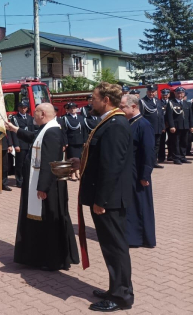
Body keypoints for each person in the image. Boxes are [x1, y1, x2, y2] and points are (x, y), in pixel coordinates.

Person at [71, 82, 134, 312]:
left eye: (94, 98)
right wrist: (81, 162)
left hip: (109, 201)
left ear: (106, 100)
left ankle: (121, 297)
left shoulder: (116, 124)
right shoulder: (109, 121)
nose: (91, 102)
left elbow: (112, 167)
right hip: (107, 198)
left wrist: (101, 201)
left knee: (115, 248)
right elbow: (101, 159)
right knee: (110, 247)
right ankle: (115, 288)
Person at [6, 103, 79, 271]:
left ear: (43, 114)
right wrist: (15, 129)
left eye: (36, 113)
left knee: (49, 221)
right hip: (46, 184)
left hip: (49, 187)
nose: (33, 116)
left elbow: (49, 162)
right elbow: (33, 137)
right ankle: (41, 256)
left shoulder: (52, 132)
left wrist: (42, 187)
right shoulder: (48, 129)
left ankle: (52, 259)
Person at [119, 95, 156, 248]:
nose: (120, 109)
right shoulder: (129, 122)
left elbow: (149, 152)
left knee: (140, 204)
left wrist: (145, 174)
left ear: (133, 107)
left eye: (123, 107)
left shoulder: (143, 124)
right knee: (131, 204)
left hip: (138, 172)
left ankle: (140, 238)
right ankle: (131, 235)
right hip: (129, 171)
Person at [10, 100, 36, 188]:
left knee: (28, 163)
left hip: (29, 144)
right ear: (18, 108)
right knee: (19, 163)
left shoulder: (30, 118)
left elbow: (32, 131)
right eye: (21, 107)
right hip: (20, 144)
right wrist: (16, 145)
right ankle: (19, 180)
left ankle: (27, 179)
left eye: (25, 107)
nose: (23, 109)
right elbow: (13, 132)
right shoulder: (15, 118)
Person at [166, 86, 193, 164]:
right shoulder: (171, 103)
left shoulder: (187, 103)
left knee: (184, 142)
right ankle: (176, 158)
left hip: (185, 126)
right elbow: (169, 116)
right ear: (175, 93)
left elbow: (190, 116)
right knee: (176, 143)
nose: (180, 95)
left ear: (184, 94)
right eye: (178, 93)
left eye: (181, 93)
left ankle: (182, 157)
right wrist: (171, 126)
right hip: (176, 127)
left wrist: (191, 126)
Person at [140, 85, 164, 168]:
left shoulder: (158, 101)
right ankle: (147, 162)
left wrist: (162, 126)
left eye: (153, 92)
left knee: (156, 146)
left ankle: (154, 162)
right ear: (147, 92)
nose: (151, 93)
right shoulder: (143, 101)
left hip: (158, 127)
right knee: (148, 146)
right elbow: (141, 116)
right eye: (150, 91)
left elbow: (161, 115)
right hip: (149, 128)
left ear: (156, 92)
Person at [62, 102, 87, 181]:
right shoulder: (65, 118)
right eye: (71, 108)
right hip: (71, 141)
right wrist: (65, 142)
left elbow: (84, 130)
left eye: (74, 108)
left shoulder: (81, 117)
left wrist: (85, 140)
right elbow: (64, 131)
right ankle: (74, 173)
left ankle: (76, 172)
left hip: (80, 140)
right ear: (68, 110)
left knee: (79, 157)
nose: (73, 109)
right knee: (73, 158)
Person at [158, 89, 170, 163]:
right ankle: (161, 157)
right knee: (161, 141)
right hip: (162, 124)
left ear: (169, 95)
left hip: (170, 124)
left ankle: (171, 156)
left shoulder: (172, 102)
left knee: (171, 141)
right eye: (163, 95)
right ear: (161, 95)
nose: (165, 96)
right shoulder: (158, 102)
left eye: (166, 95)